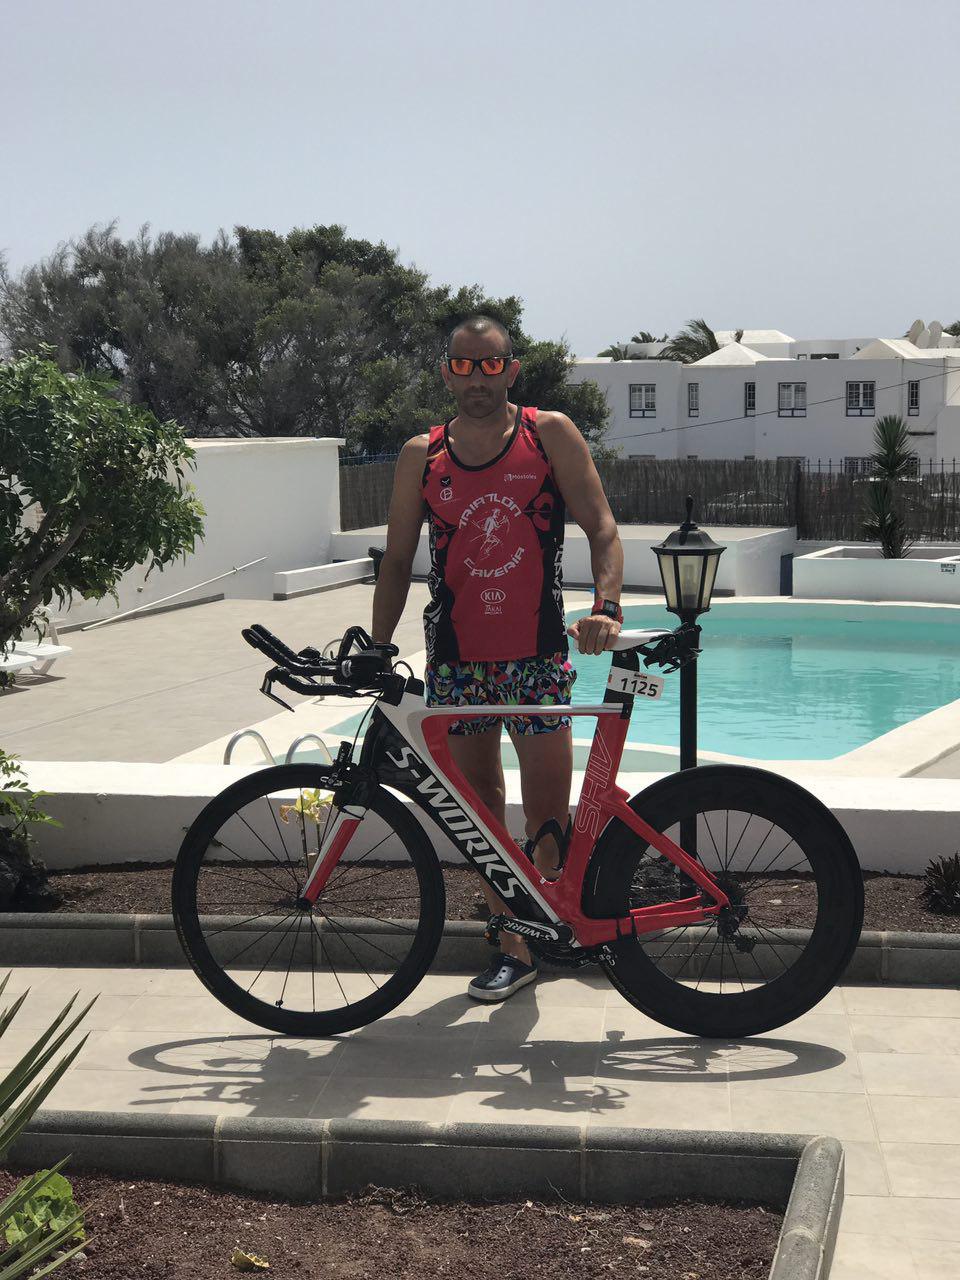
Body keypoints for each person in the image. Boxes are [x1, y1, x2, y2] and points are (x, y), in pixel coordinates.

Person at [371, 315, 624, 1000]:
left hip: (536, 657)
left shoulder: (549, 434)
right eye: (462, 364)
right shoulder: (421, 454)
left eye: (489, 364)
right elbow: (397, 560)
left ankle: (553, 925)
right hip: (458, 662)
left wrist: (606, 605)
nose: (476, 377)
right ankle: (514, 948)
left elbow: (602, 527)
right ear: (446, 371)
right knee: (479, 815)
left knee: (547, 813)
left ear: (511, 369)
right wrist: (380, 645)